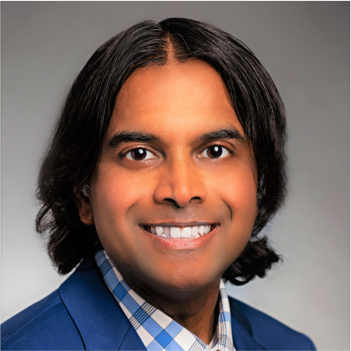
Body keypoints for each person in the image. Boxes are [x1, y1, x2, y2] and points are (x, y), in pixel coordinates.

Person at [0, 18, 317, 351]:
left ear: (260, 178)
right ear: (83, 192)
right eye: (139, 154)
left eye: (215, 151)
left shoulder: (291, 346)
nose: (181, 192)